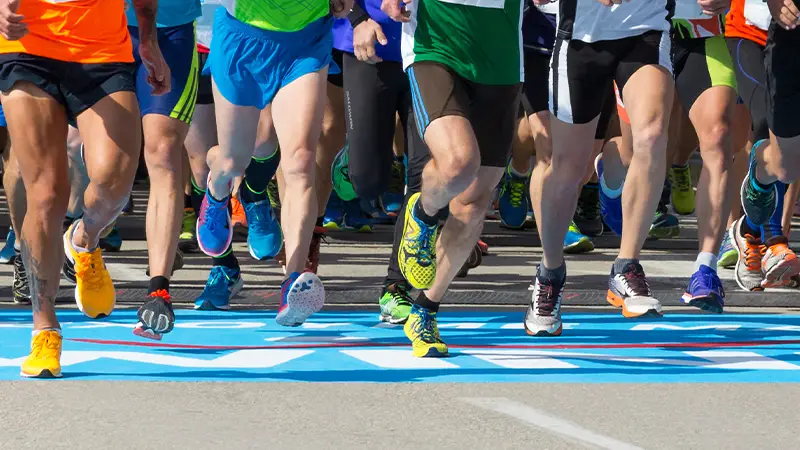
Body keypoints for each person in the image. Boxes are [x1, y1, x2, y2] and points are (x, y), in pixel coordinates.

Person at [0, 0, 169, 378]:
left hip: (102, 49)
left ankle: (83, 240)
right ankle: (45, 328)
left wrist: (149, 40)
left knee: (115, 182)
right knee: (45, 193)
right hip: (26, 46)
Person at [197, 0, 353, 326]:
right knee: (233, 159)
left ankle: (293, 281)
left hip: (307, 35)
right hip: (243, 35)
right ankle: (216, 190)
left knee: (301, 161)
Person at [383, 0, 523, 356]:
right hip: (436, 40)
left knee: (474, 202)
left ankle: (426, 309)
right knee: (459, 162)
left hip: (500, 51)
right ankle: (424, 212)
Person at [527, 0, 675, 336]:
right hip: (580, 36)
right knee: (567, 165)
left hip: (646, 29)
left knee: (650, 136)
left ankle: (627, 265)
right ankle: (549, 273)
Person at [125, 0, 203, 340]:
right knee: (111, 167)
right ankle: (82, 236)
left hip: (172, 29)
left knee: (163, 152)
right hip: (97, 32)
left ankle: (158, 291)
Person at [724, 0, 800, 291]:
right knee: (764, 123)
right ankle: (773, 240)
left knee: (788, 151)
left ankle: (750, 231)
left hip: (792, 38)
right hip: (750, 35)